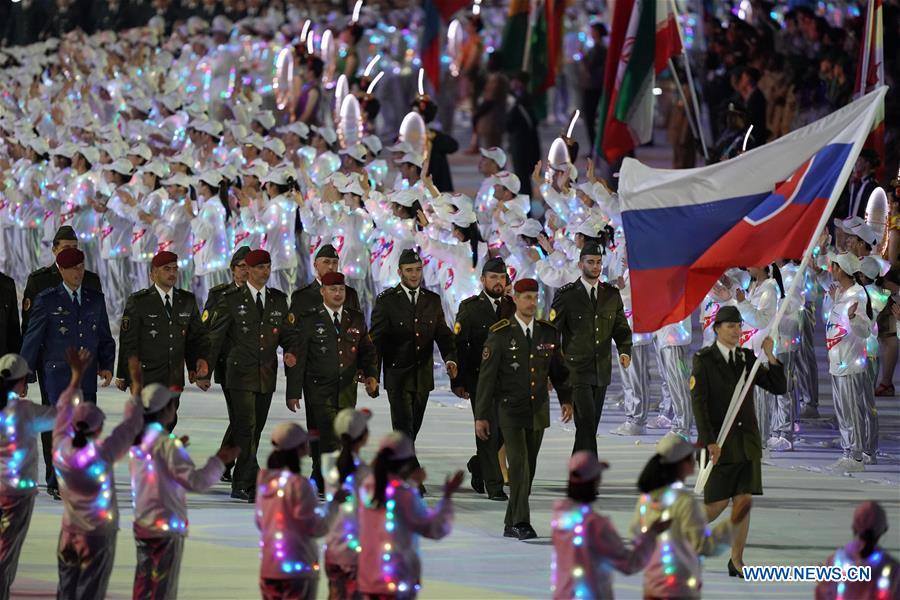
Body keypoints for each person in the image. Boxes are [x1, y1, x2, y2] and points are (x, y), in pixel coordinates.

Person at [691, 305, 786, 575]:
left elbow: (777, 387)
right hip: (719, 442)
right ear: (717, 329)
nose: (736, 331)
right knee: (717, 504)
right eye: (730, 326)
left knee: (744, 501)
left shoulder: (747, 358)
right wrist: (709, 441)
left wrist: (770, 355)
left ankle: (737, 560)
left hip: (746, 442)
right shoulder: (705, 359)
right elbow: (699, 403)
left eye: (739, 326)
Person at [475, 278, 573, 540]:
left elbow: (559, 370)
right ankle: (521, 522)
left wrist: (566, 398)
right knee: (518, 465)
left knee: (528, 468)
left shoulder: (547, 332)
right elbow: (487, 378)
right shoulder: (501, 333)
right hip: (509, 410)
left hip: (537, 410)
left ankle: (510, 521)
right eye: (525, 297)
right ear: (515, 299)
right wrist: (481, 415)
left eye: (534, 297)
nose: (531, 302)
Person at [130, 382, 240, 600]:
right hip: (165, 527)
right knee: (162, 585)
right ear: (166, 411)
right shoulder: (168, 446)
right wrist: (219, 461)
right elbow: (195, 481)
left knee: (144, 581)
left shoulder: (140, 441)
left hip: (143, 523)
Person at [54, 348, 144, 600]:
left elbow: (62, 413)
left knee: (66, 590)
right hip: (96, 536)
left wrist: (75, 377)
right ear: (99, 429)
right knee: (90, 592)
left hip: (69, 534)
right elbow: (131, 426)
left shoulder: (60, 450)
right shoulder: (102, 455)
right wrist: (137, 387)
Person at [20, 226, 103, 498]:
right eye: (65, 247)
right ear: (54, 249)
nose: (71, 251)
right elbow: (30, 327)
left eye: (74, 246)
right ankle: (55, 476)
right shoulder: (40, 281)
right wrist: (27, 369)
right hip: (52, 363)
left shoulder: (91, 280)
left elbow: (99, 326)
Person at [204, 249, 292, 501]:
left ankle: (227, 464)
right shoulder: (226, 297)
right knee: (246, 425)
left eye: (267, 267)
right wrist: (204, 369)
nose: (261, 271)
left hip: (264, 374)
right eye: (252, 267)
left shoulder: (276, 299)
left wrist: (293, 351)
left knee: (252, 427)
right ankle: (246, 480)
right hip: (236, 373)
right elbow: (214, 335)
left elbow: (286, 334)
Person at [369, 249, 457, 488]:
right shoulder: (387, 301)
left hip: (422, 375)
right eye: (409, 270)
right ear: (399, 272)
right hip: (397, 374)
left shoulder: (432, 300)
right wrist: (372, 373)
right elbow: (375, 340)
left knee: (411, 428)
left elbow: (443, 334)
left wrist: (451, 359)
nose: (415, 275)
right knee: (403, 425)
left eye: (418, 270)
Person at [285, 271, 379, 493]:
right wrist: (293, 391)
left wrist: (372, 375)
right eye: (333, 289)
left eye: (341, 290)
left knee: (335, 437)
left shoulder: (355, 318)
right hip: (319, 390)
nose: (338, 294)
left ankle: (319, 476)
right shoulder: (309, 320)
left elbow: (367, 350)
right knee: (331, 436)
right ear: (323, 292)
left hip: (346, 389)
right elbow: (300, 357)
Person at [631, 434, 750, 597]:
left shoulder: (646, 500)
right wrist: (733, 523)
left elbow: (636, 537)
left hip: (653, 585)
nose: (694, 459)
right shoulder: (684, 502)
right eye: (690, 457)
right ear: (682, 465)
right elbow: (703, 546)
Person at [357, 431, 463, 598]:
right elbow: (434, 528)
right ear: (406, 463)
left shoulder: (366, 487)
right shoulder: (403, 494)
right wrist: (447, 497)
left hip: (368, 578)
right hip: (397, 579)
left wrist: (411, 483)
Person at [550, 244, 632, 456]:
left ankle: (578, 472)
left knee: (589, 426)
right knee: (586, 422)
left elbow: (621, 328)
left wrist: (624, 351)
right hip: (575, 371)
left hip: (601, 370)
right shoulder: (566, 295)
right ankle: (587, 475)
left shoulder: (611, 295)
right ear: (580, 264)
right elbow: (552, 333)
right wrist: (551, 368)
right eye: (590, 262)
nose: (595, 266)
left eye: (598, 262)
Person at [550, 451, 667, 600]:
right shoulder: (595, 524)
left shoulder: (559, 517)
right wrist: (651, 534)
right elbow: (629, 564)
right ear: (595, 481)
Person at [115, 251, 210, 431]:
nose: (172, 273)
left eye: (175, 269)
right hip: (147, 377)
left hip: (173, 376)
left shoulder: (187, 300)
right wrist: (124, 375)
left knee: (169, 421)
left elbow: (195, 338)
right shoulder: (139, 301)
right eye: (167, 269)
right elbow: (129, 341)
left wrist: (194, 367)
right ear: (153, 274)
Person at [256, 422, 343, 600]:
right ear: (299, 448)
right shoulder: (299, 485)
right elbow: (315, 527)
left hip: (270, 567)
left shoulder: (264, 481)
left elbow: (260, 521)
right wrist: (334, 504)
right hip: (298, 568)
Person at [451, 257, 515, 500]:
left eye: (501, 278)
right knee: (487, 430)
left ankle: (479, 466)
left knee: (505, 431)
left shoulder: (512, 306)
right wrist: (458, 381)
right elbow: (460, 346)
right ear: (483, 280)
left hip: (509, 380)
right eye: (493, 277)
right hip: (480, 380)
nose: (498, 282)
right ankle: (494, 484)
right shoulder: (470, 308)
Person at [0, 353, 56, 599]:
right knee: (7, 551)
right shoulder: (26, 411)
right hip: (19, 493)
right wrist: (76, 380)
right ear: (22, 381)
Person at [825, 253, 875, 473]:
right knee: (843, 411)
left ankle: (856, 457)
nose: (831, 269)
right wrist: (835, 300)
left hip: (850, 363)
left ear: (841, 269)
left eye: (834, 266)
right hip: (837, 361)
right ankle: (847, 452)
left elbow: (865, 331)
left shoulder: (857, 295)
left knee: (852, 411)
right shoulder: (843, 293)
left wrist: (855, 318)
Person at [204, 246, 250, 482]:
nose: (245, 271)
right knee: (241, 417)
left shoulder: (259, 294)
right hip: (228, 365)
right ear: (233, 270)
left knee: (242, 418)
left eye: (248, 267)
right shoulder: (220, 294)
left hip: (253, 367)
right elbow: (209, 333)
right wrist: (204, 368)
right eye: (241, 267)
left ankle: (223, 463)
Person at [323, 408, 372, 600]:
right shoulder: (365, 473)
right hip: (358, 549)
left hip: (333, 547)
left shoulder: (327, 464)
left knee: (336, 593)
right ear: (364, 436)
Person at [815, 501, 900, 600]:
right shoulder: (891, 568)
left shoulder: (835, 562)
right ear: (884, 529)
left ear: (854, 527)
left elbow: (823, 595)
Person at [288, 244, 361, 316]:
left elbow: (359, 325)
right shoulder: (302, 297)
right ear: (316, 265)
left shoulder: (350, 295)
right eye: (326, 262)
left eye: (335, 262)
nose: (331, 267)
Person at [505, 72, 542, 198]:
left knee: (523, 178)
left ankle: (526, 208)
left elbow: (530, 122)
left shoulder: (524, 101)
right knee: (520, 178)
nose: (514, 84)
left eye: (517, 81)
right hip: (517, 142)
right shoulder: (512, 99)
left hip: (524, 144)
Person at [579, 22, 607, 152]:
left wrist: (582, 55)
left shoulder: (599, 48)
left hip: (593, 87)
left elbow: (590, 66)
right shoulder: (597, 47)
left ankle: (595, 147)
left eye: (593, 30)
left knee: (590, 117)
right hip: (591, 86)